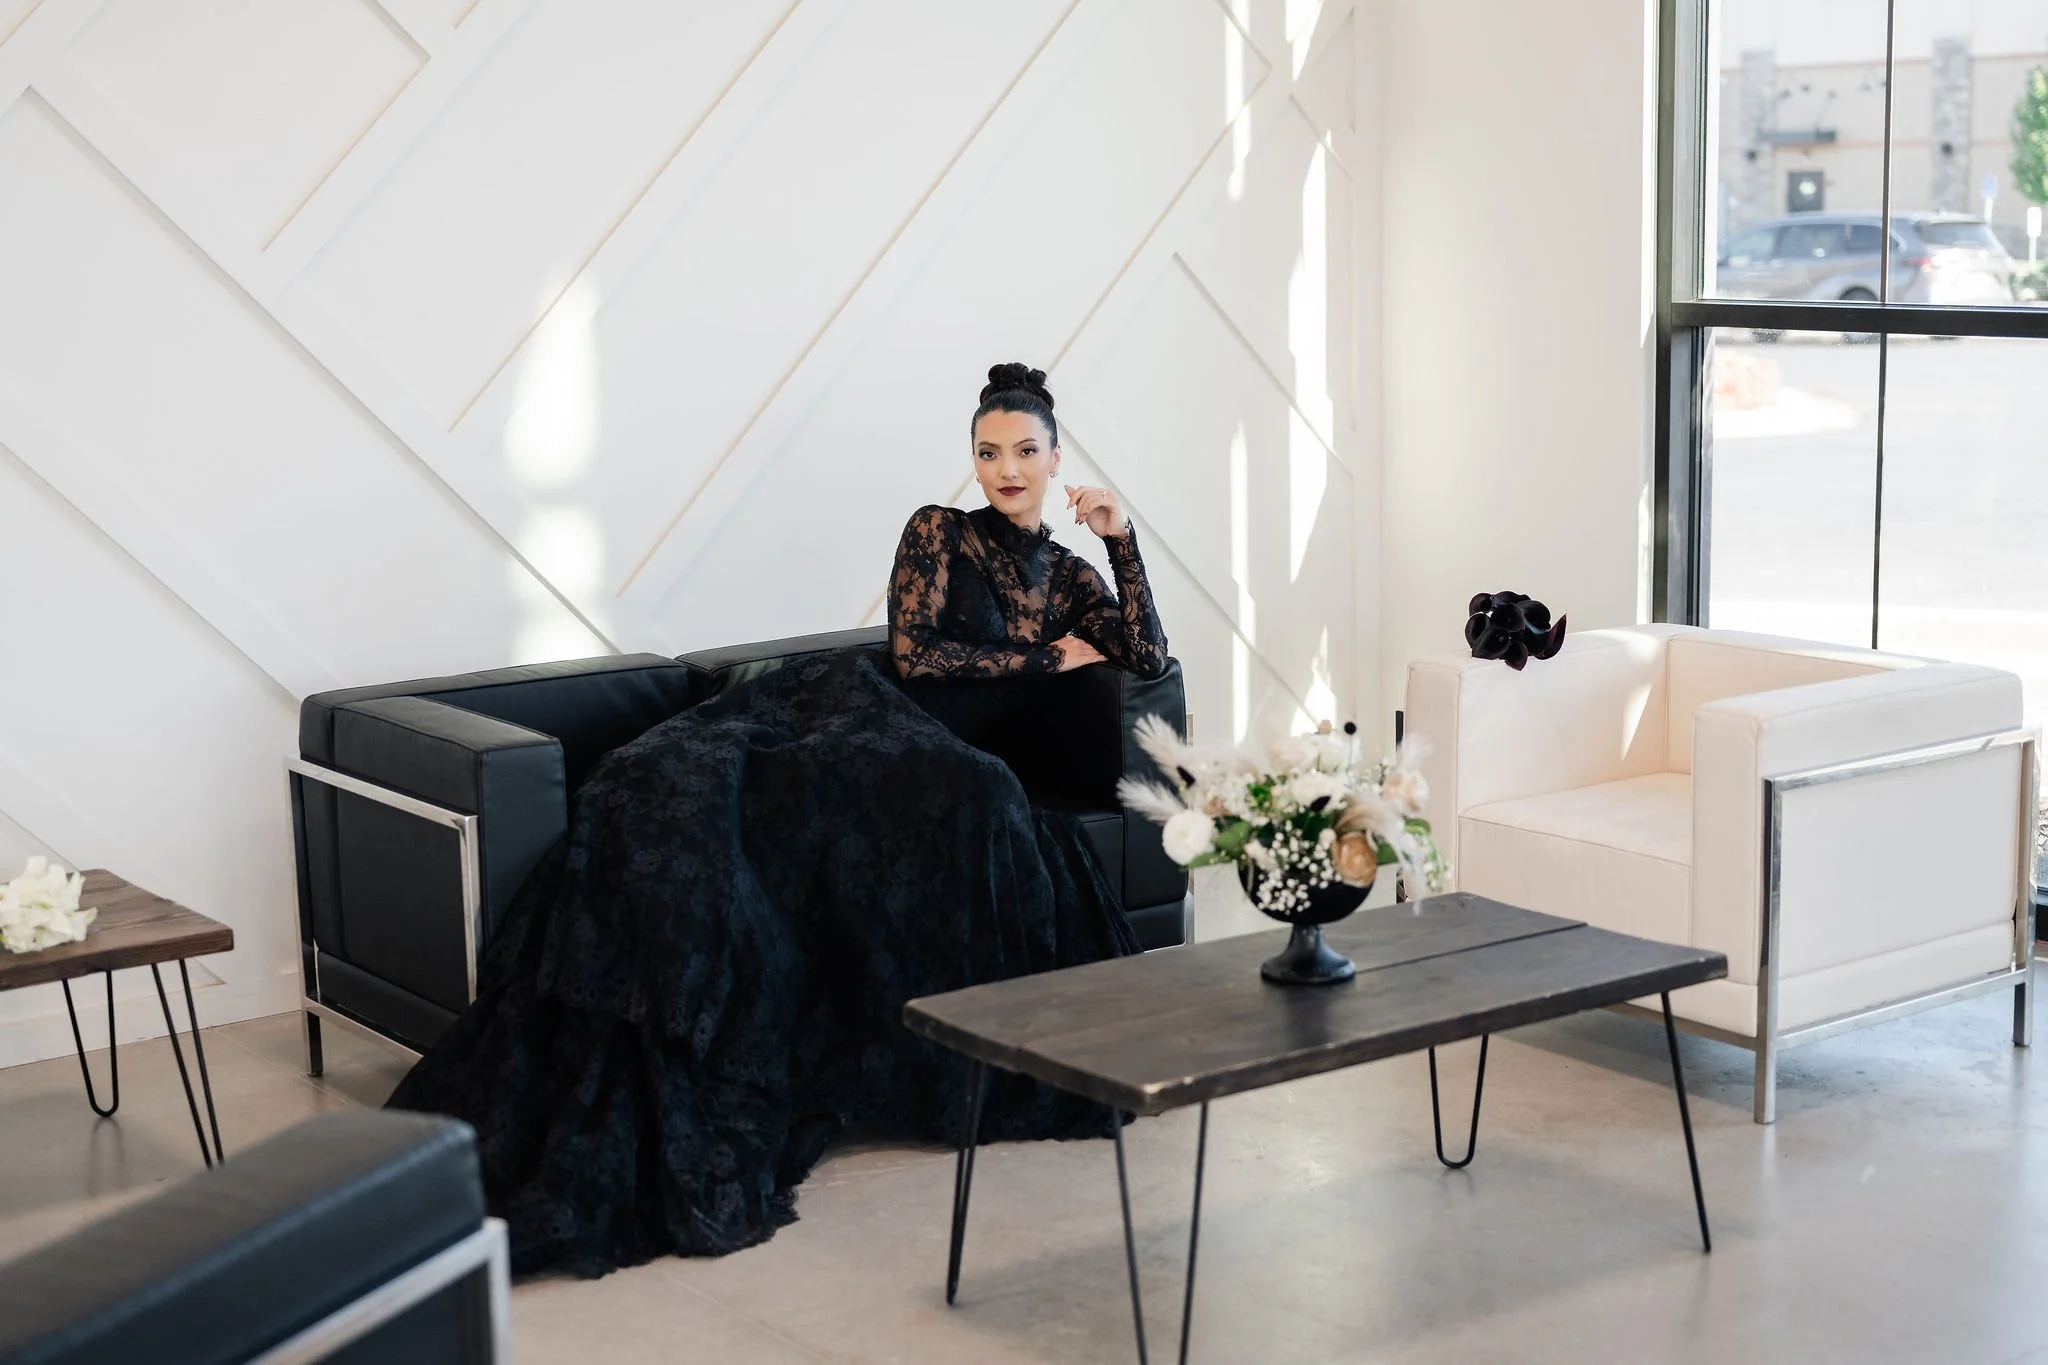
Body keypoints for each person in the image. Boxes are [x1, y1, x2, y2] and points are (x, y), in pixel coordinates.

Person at [388, 363, 1168, 1278]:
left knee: (985, 793)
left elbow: (1147, 653)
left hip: (942, 760)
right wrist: (1045, 660)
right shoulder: (939, 530)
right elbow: (918, 655)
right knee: (681, 789)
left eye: (1026, 452)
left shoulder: (1072, 575)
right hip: (868, 711)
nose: (1007, 469)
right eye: (989, 452)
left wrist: (1121, 539)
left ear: (1055, 459)